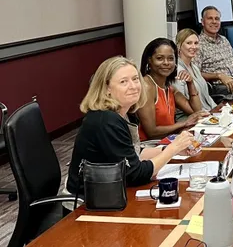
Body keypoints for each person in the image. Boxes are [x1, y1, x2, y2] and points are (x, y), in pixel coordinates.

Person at [64, 56, 197, 202]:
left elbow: (133, 152)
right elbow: (135, 174)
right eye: (123, 82)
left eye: (135, 79)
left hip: (108, 192)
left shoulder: (125, 112)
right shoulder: (106, 121)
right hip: (86, 204)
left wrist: (172, 149)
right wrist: (173, 148)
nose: (133, 86)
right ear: (106, 88)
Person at [138, 38, 207, 141]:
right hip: (150, 146)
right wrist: (184, 123)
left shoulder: (169, 87)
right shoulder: (147, 86)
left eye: (170, 58)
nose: (166, 63)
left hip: (170, 141)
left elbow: (196, 111)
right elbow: (151, 132)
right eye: (160, 58)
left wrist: (190, 83)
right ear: (149, 60)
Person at [173, 29, 217, 121]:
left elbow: (206, 97)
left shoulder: (194, 67)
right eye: (189, 43)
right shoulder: (177, 71)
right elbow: (183, 106)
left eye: (196, 43)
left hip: (207, 114)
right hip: (189, 119)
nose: (193, 47)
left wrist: (217, 110)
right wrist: (209, 115)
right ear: (179, 46)